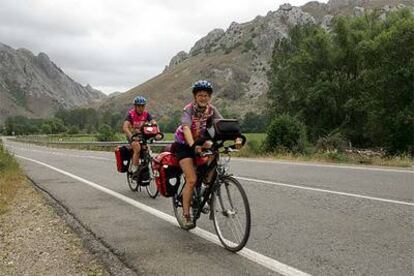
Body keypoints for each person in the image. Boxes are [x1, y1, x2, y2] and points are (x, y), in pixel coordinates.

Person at [173, 80, 224, 229]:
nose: (203, 98)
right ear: (195, 96)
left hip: (200, 142)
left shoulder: (211, 109)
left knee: (214, 150)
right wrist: (193, 145)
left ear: (210, 97)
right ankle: (186, 215)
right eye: (200, 95)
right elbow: (187, 128)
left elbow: (221, 124)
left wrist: (234, 136)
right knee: (191, 180)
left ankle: (206, 184)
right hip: (183, 145)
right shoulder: (188, 109)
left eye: (206, 95)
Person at [122, 96, 155, 177]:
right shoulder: (131, 114)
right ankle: (134, 169)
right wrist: (131, 137)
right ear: (135, 106)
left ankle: (146, 166)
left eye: (142, 106)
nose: (141, 108)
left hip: (142, 135)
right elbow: (125, 127)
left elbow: (154, 123)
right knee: (137, 148)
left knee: (147, 149)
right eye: (138, 106)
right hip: (132, 135)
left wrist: (157, 133)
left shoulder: (146, 114)